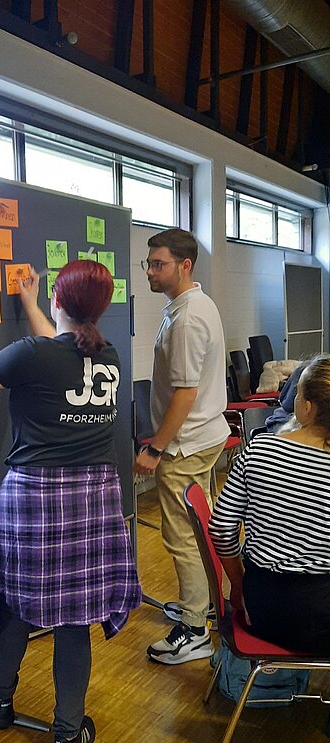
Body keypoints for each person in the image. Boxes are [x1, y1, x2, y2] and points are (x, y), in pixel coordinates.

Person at [0, 260, 141, 743]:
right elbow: (59, 348)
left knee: (17, 603)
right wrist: (31, 304)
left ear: (59, 299)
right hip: (94, 500)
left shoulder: (34, 355)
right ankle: (67, 737)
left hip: (35, 497)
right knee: (74, 619)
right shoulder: (109, 356)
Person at [134, 228, 229, 665]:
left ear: (184, 265)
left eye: (159, 264)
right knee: (200, 529)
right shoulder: (194, 304)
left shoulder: (188, 318)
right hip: (204, 437)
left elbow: (185, 393)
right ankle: (206, 605)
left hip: (184, 446)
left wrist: (155, 449)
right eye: (149, 263)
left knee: (181, 537)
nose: (150, 271)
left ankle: (194, 631)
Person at [209, 355, 330, 654]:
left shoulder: (259, 448)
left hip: (261, 607)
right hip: (319, 617)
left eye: (297, 393)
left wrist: (238, 586)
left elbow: (221, 528)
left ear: (307, 407)